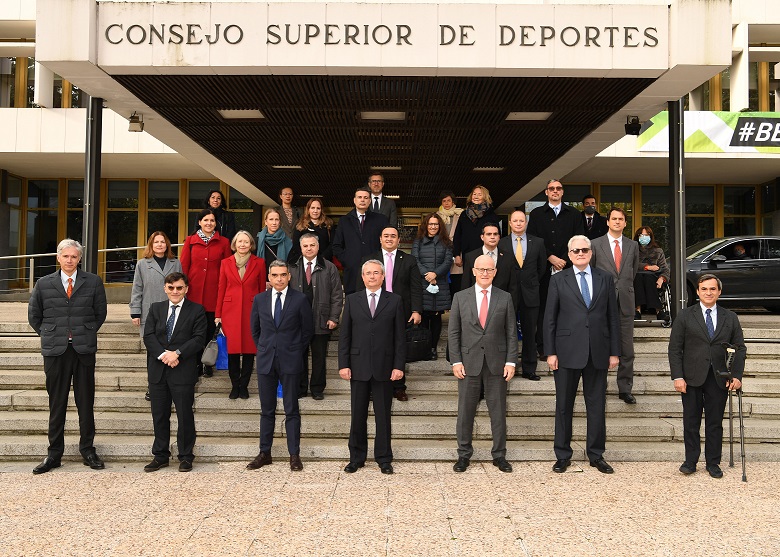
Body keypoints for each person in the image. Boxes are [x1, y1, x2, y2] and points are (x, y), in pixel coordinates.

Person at [28, 238, 108, 475]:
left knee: (86, 403)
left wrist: (86, 331)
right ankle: (54, 454)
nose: (70, 260)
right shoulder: (43, 283)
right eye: (66, 256)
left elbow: (100, 313)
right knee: (57, 403)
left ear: (79, 258)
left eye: (74, 256)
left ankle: (88, 450)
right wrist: (50, 333)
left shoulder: (93, 282)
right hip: (55, 351)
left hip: (83, 350)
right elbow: (34, 316)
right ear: (58, 257)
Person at [544, 235, 620, 475]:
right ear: (569, 254)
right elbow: (549, 319)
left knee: (596, 406)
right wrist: (550, 352)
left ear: (591, 252)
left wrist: (614, 352)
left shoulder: (605, 278)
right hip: (566, 352)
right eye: (575, 250)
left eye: (584, 250)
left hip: (598, 351)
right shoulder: (558, 280)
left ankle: (596, 455)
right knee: (563, 406)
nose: (580, 253)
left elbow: (613, 317)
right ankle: (562, 455)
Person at [668, 274, 745, 479]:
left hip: (719, 377)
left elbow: (740, 348)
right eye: (704, 289)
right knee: (691, 421)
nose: (708, 293)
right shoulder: (685, 315)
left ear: (719, 292)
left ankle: (713, 463)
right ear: (697, 292)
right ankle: (690, 461)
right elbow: (675, 349)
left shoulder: (730, 317)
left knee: (714, 423)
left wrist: (736, 375)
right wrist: (677, 376)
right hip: (691, 377)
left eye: (712, 289)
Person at [449, 255, 517, 473]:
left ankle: (499, 456)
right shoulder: (460, 297)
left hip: (497, 363)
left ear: (495, 272)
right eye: (481, 269)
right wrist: (456, 361)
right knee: (465, 412)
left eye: (489, 270)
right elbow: (453, 332)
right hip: (468, 363)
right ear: (474, 271)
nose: (485, 273)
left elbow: (511, 333)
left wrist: (511, 361)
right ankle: (463, 455)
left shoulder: (505, 298)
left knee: (498, 412)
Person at [339, 260, 406, 475]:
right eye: (368, 273)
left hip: (384, 367)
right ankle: (356, 458)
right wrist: (344, 364)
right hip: (358, 366)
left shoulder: (394, 301)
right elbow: (345, 335)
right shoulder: (352, 300)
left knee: (383, 415)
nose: (372, 276)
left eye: (376, 273)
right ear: (362, 276)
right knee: (357, 414)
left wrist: (398, 366)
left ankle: (384, 458)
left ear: (383, 276)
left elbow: (400, 338)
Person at [247, 260, 314, 472]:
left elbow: (307, 330)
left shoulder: (300, 299)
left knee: (291, 409)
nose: (279, 279)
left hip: (290, 360)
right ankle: (264, 453)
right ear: (269, 277)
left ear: (289, 276)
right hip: (266, 361)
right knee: (266, 410)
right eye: (275, 275)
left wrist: (294, 350)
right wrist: (264, 348)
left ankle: (294, 455)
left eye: (283, 275)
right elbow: (255, 329)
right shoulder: (260, 299)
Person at [142, 272, 207, 473]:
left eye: (179, 288)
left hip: (183, 371)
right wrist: (164, 355)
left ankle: (186, 456)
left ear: (186, 288)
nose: (175, 291)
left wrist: (177, 353)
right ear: (165, 288)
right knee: (159, 415)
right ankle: (160, 455)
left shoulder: (197, 310)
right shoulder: (156, 308)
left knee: (185, 415)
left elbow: (199, 339)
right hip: (158, 371)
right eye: (171, 288)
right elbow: (148, 336)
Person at [363, 227, 422, 400]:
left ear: (398, 240)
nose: (389, 239)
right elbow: (362, 286)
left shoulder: (409, 260)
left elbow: (416, 287)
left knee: (398, 347)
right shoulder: (369, 260)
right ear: (380, 239)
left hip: (400, 311)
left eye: (393, 236)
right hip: (374, 310)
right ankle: (374, 386)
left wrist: (416, 310)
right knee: (375, 347)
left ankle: (398, 387)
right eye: (386, 236)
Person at [528, 179, 585, 359]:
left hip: (569, 268)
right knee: (545, 309)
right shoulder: (536, 214)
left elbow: (580, 240)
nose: (555, 191)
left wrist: (565, 260)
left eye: (558, 188)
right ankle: (544, 347)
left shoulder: (574, 214)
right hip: (543, 270)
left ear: (562, 192)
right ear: (546, 192)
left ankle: (567, 346)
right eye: (551, 188)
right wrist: (550, 257)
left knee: (569, 307)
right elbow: (532, 239)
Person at [591, 207, 640, 404]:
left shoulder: (633, 245)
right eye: (614, 218)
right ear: (608, 222)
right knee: (601, 346)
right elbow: (592, 272)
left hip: (626, 303)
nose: (617, 222)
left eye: (621, 219)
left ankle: (625, 389)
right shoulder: (595, 244)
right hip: (602, 303)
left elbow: (632, 272)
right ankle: (599, 387)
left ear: (625, 223)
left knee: (627, 349)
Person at [288, 232, 344, 400]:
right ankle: (300, 388)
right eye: (305, 246)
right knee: (299, 356)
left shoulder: (329, 267)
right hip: (297, 321)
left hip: (321, 319)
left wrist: (334, 317)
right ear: (300, 248)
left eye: (312, 245)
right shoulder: (291, 266)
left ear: (318, 247)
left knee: (319, 357)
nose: (309, 248)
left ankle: (317, 389)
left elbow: (337, 295)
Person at [130, 231, 183, 401]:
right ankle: (152, 387)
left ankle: (170, 385)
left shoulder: (176, 263)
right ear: (151, 245)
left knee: (170, 349)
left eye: (162, 242)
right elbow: (137, 288)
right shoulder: (142, 264)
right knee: (153, 352)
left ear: (167, 244)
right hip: (150, 313)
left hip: (172, 312)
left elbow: (182, 287)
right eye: (156, 242)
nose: (160, 245)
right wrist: (135, 311)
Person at [215, 230, 267, 400]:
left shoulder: (259, 262)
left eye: (246, 242)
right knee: (233, 350)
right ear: (234, 244)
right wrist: (218, 314)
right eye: (240, 241)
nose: (243, 244)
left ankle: (244, 386)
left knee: (249, 350)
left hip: (252, 311)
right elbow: (221, 288)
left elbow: (261, 290)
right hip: (229, 311)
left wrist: (262, 313)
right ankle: (234, 385)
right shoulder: (225, 263)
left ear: (251, 244)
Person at [180, 208, 232, 377]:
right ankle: (196, 363)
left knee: (210, 330)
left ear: (216, 223)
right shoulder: (190, 241)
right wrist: (183, 288)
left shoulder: (224, 242)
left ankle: (208, 363)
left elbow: (227, 268)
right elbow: (184, 266)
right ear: (199, 222)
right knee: (194, 330)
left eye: (212, 220)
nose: (209, 223)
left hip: (214, 293)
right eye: (206, 220)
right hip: (194, 293)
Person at [498, 210, 547, 381]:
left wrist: (530, 282)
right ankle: (505, 367)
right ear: (510, 223)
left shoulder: (538, 242)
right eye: (515, 221)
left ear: (525, 223)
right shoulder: (501, 243)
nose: (518, 223)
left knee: (529, 333)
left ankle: (529, 369)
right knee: (505, 331)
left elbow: (541, 267)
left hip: (530, 293)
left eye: (521, 221)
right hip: (507, 293)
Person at [332, 186, 388, 295]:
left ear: (370, 201)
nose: (362, 200)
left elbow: (386, 243)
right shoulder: (344, 221)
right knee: (353, 302)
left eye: (366, 198)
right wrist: (347, 261)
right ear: (354, 200)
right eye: (360, 197)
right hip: (352, 271)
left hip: (374, 271)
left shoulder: (381, 219)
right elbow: (336, 246)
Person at [412, 212, 452, 361]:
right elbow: (415, 260)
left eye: (436, 224)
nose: (433, 226)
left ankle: (433, 348)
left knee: (436, 318)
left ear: (440, 226)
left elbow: (448, 262)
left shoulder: (447, 242)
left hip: (439, 283)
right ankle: (424, 349)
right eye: (430, 224)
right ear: (426, 225)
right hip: (422, 283)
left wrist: (435, 274)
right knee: (423, 317)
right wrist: (427, 275)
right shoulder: (418, 241)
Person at [460, 223, 518, 310]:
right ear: (482, 237)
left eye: (495, 234)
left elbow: (513, 286)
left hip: (501, 306)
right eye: (489, 234)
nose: (492, 237)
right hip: (477, 305)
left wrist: (511, 309)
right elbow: (466, 283)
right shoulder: (471, 257)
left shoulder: (508, 258)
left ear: (499, 237)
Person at [452, 185, 500, 275]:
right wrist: (456, 255)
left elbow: (497, 236)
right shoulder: (464, 214)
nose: (476, 196)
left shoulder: (491, 215)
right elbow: (457, 235)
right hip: (468, 254)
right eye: (474, 194)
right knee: (469, 279)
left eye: (479, 194)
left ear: (485, 197)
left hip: (486, 254)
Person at [633, 226, 670, 320]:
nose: (644, 237)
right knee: (639, 278)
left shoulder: (658, 251)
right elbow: (631, 264)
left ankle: (658, 310)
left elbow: (665, 269)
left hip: (654, 278)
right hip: (636, 277)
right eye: (642, 235)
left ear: (650, 236)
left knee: (648, 278)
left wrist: (662, 278)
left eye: (646, 235)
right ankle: (637, 310)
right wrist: (647, 267)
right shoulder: (632, 250)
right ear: (637, 236)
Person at [288, 197, 334, 262]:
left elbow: (332, 244)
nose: (315, 211)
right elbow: (296, 244)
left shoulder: (328, 224)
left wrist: (322, 258)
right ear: (308, 209)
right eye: (312, 208)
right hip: (304, 261)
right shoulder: (300, 224)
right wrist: (306, 258)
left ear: (321, 210)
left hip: (324, 261)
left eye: (318, 208)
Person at [437, 190, 463, 295]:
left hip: (456, 250)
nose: (446, 203)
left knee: (456, 282)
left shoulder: (460, 215)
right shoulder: (437, 216)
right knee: (441, 280)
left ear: (453, 202)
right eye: (444, 201)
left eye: (449, 200)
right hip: (441, 250)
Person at [257, 208, 293, 273]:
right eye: (271, 219)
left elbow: (291, 264)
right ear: (266, 222)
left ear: (279, 222)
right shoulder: (258, 240)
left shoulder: (287, 241)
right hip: (263, 277)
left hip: (281, 277)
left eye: (276, 219)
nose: (274, 223)